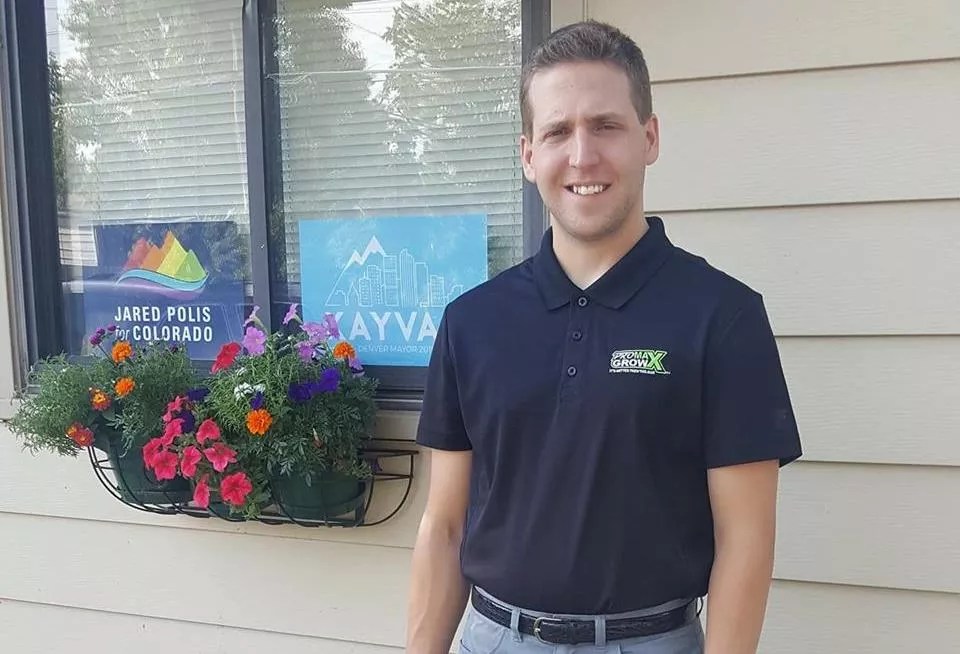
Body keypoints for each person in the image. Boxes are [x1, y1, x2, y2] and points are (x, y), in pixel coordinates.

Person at [406, 20, 802, 654]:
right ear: (528, 154)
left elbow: (746, 541)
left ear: (649, 138)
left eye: (606, 126)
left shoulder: (723, 317)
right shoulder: (472, 322)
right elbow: (444, 526)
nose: (582, 156)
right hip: (494, 638)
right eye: (557, 131)